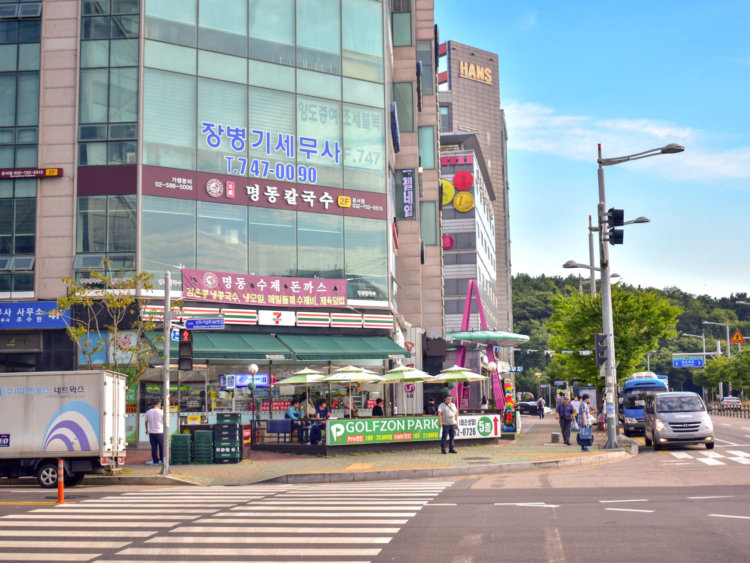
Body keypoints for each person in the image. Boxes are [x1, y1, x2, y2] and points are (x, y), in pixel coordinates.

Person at [145, 400, 164, 465]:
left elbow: (146, 421)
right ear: (159, 405)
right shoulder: (162, 412)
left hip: (152, 432)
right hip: (160, 432)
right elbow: (165, 421)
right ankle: (162, 459)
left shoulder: (148, 412)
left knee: (154, 447)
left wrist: (147, 429)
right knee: (161, 446)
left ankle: (155, 460)